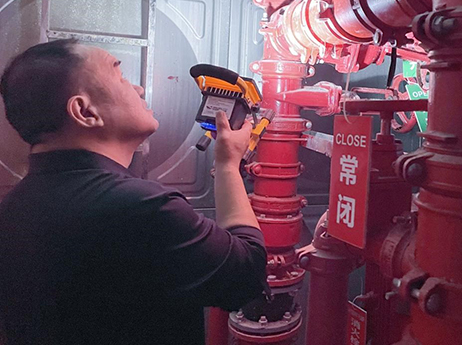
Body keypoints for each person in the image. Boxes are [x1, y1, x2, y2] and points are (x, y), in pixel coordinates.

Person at [0, 39, 267, 345]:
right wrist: (228, 165)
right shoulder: (141, 207)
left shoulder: (12, 207)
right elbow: (246, 276)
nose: (138, 89)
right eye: (120, 77)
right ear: (85, 111)